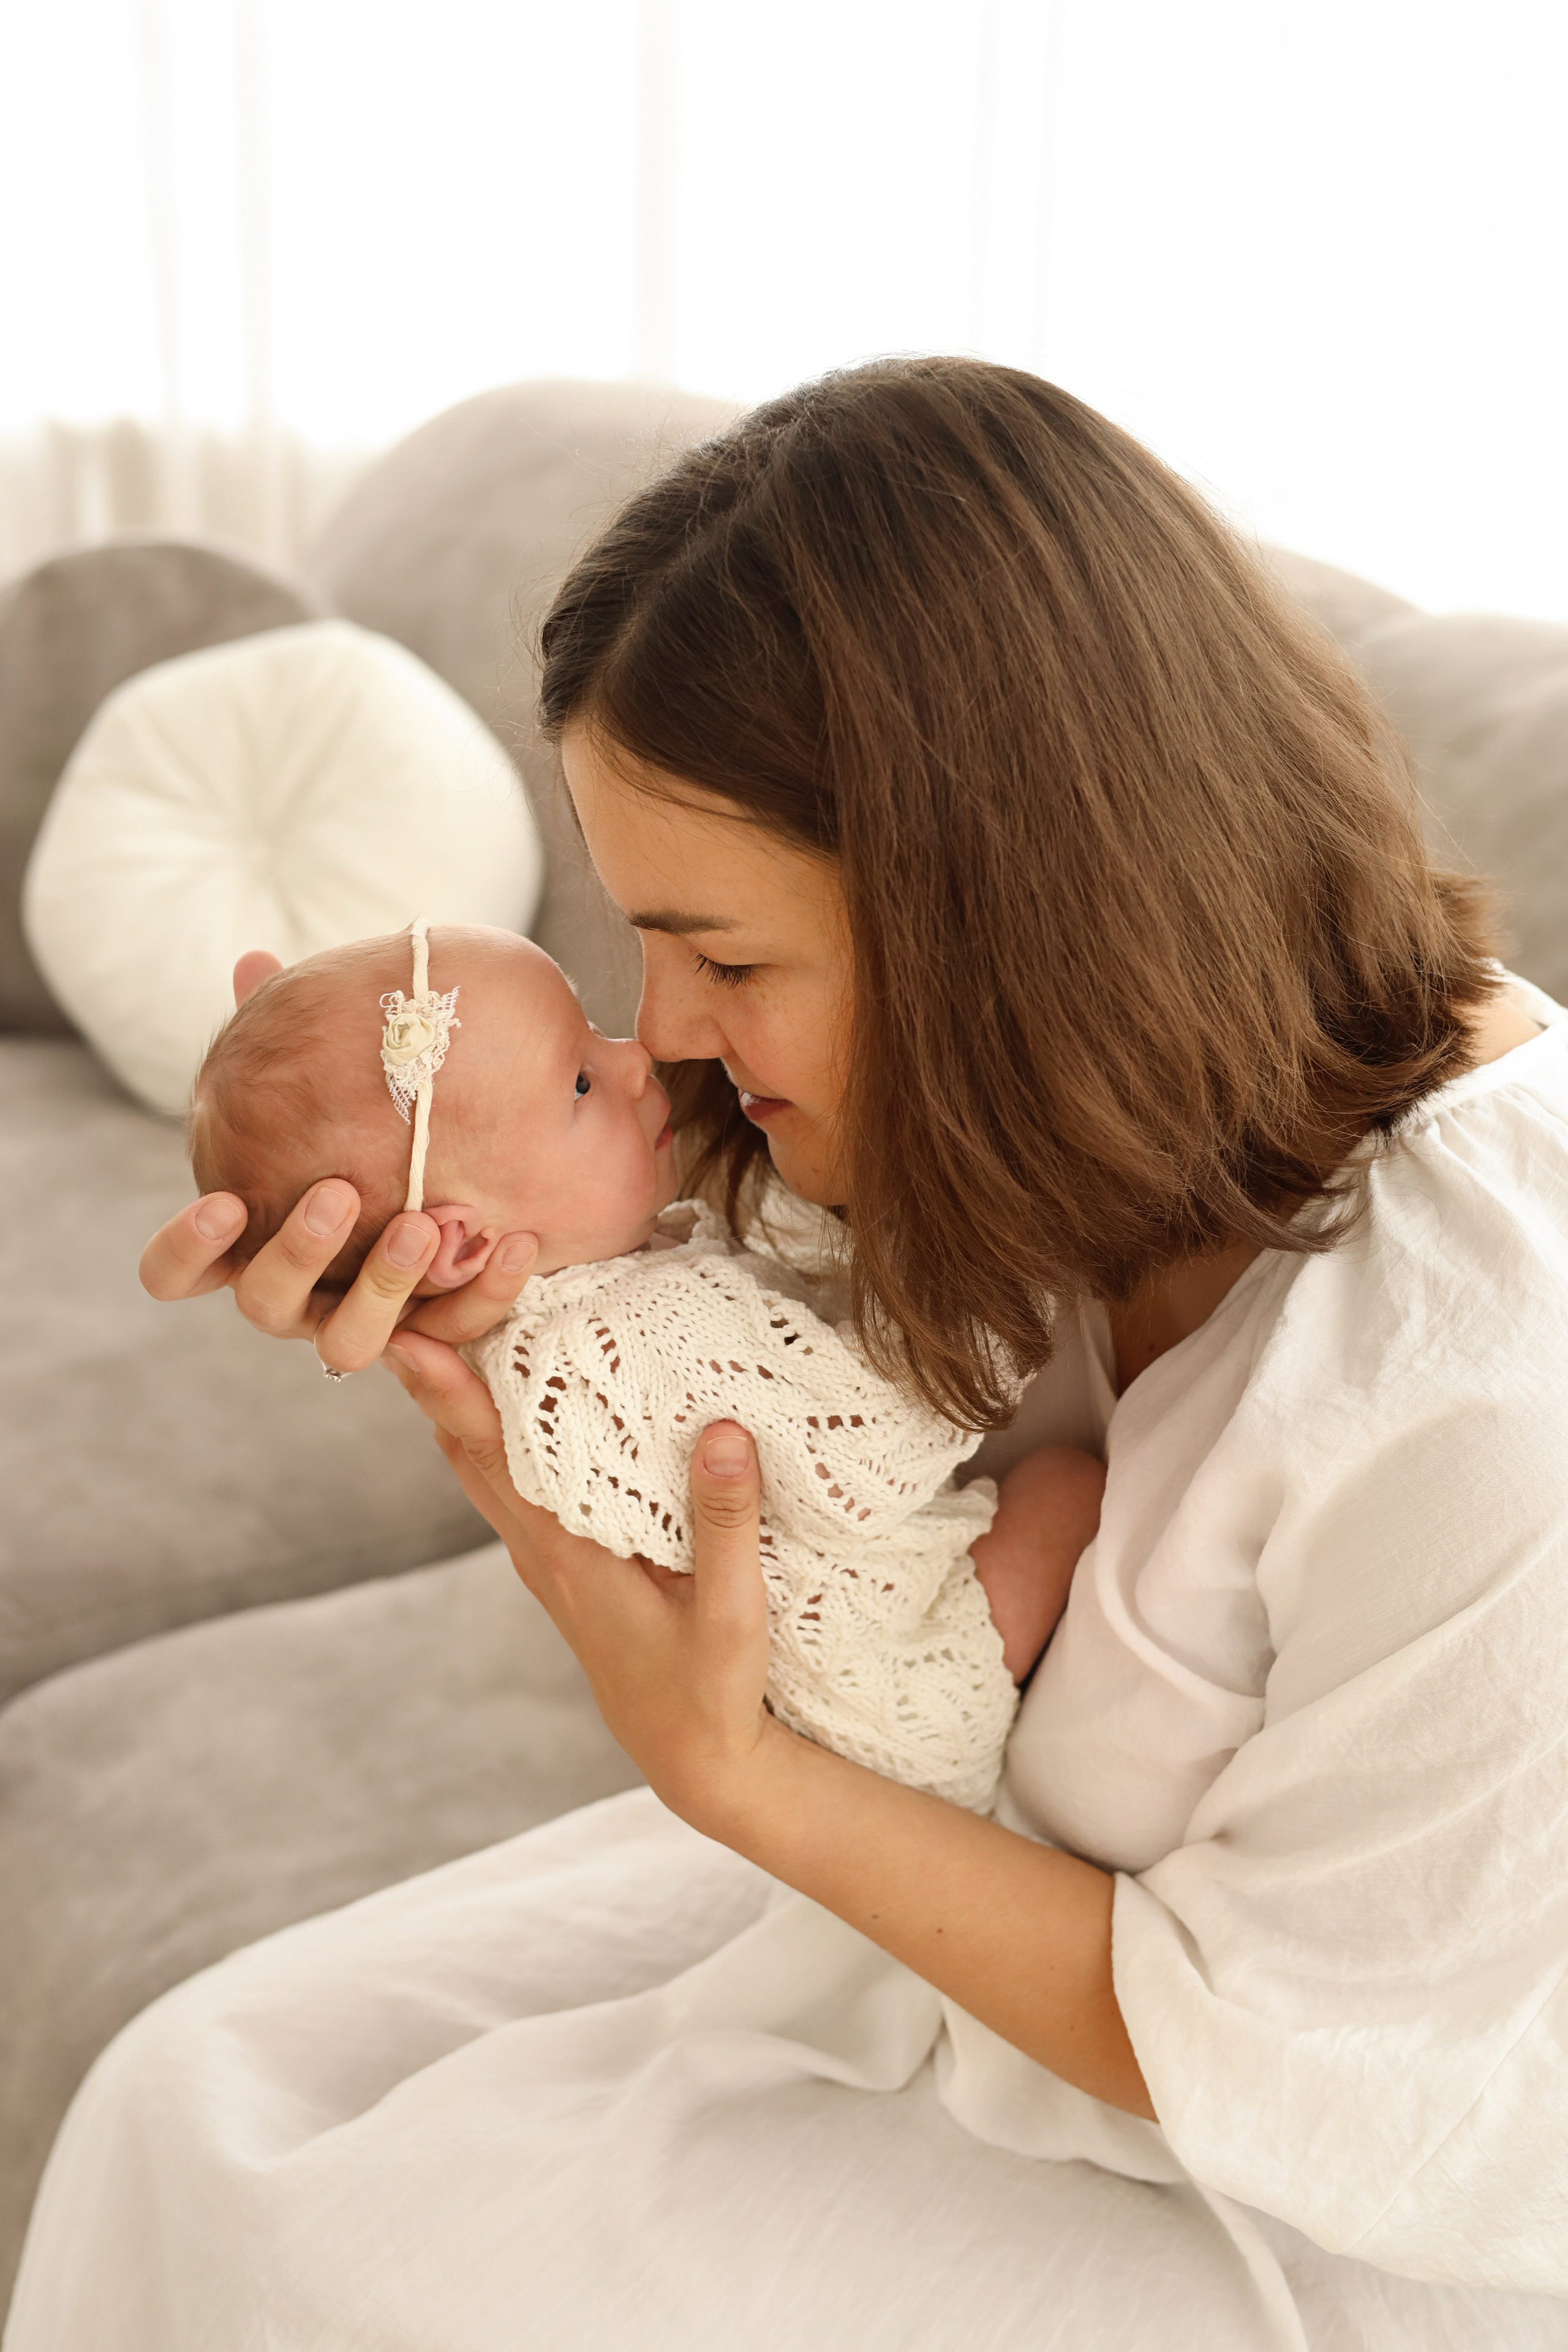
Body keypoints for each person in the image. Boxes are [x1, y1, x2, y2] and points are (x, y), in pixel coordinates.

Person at [9, 357, 1568, 2352]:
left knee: (339, 2266)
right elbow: (692, 1309)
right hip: (968, 1904)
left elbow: (1341, 2083)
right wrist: (450, 1247)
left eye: (727, 959)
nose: (660, 1032)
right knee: (191, 2096)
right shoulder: (1106, 1103)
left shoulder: (1489, 1405)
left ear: (1015, 905)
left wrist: (733, 1777)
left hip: (1272, 2184)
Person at [187, 917, 1103, 1804]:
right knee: (1069, 1488)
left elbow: (788, 1265)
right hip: (890, 1693)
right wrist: (994, 1273)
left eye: (593, 1026)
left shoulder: (577, 1288)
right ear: (466, 1246)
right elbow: (867, 1451)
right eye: (581, 1083)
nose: (635, 1055)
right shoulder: (616, 1342)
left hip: (811, 1710)